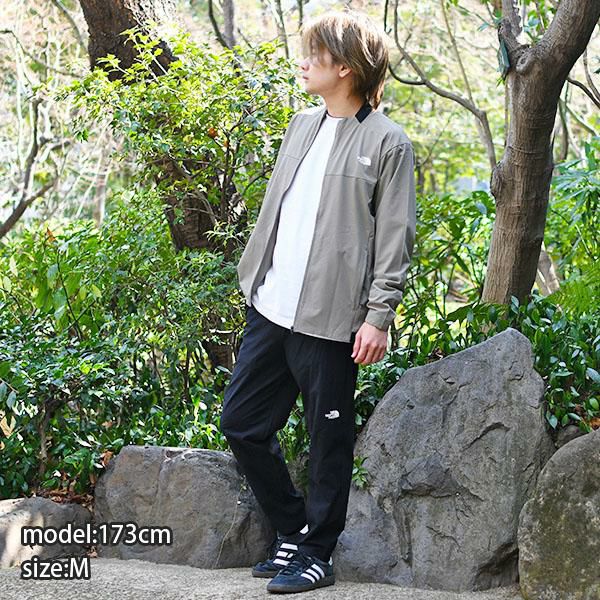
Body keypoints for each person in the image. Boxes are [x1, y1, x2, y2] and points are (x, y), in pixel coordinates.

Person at [219, 8, 416, 595]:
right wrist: (254, 281)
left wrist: (378, 316)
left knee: (328, 438)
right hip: (271, 306)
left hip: (331, 319)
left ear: (347, 67)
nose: (304, 63)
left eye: (316, 55)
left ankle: (317, 554)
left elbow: (395, 237)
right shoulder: (301, 125)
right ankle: (292, 527)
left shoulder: (387, 142)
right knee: (242, 424)